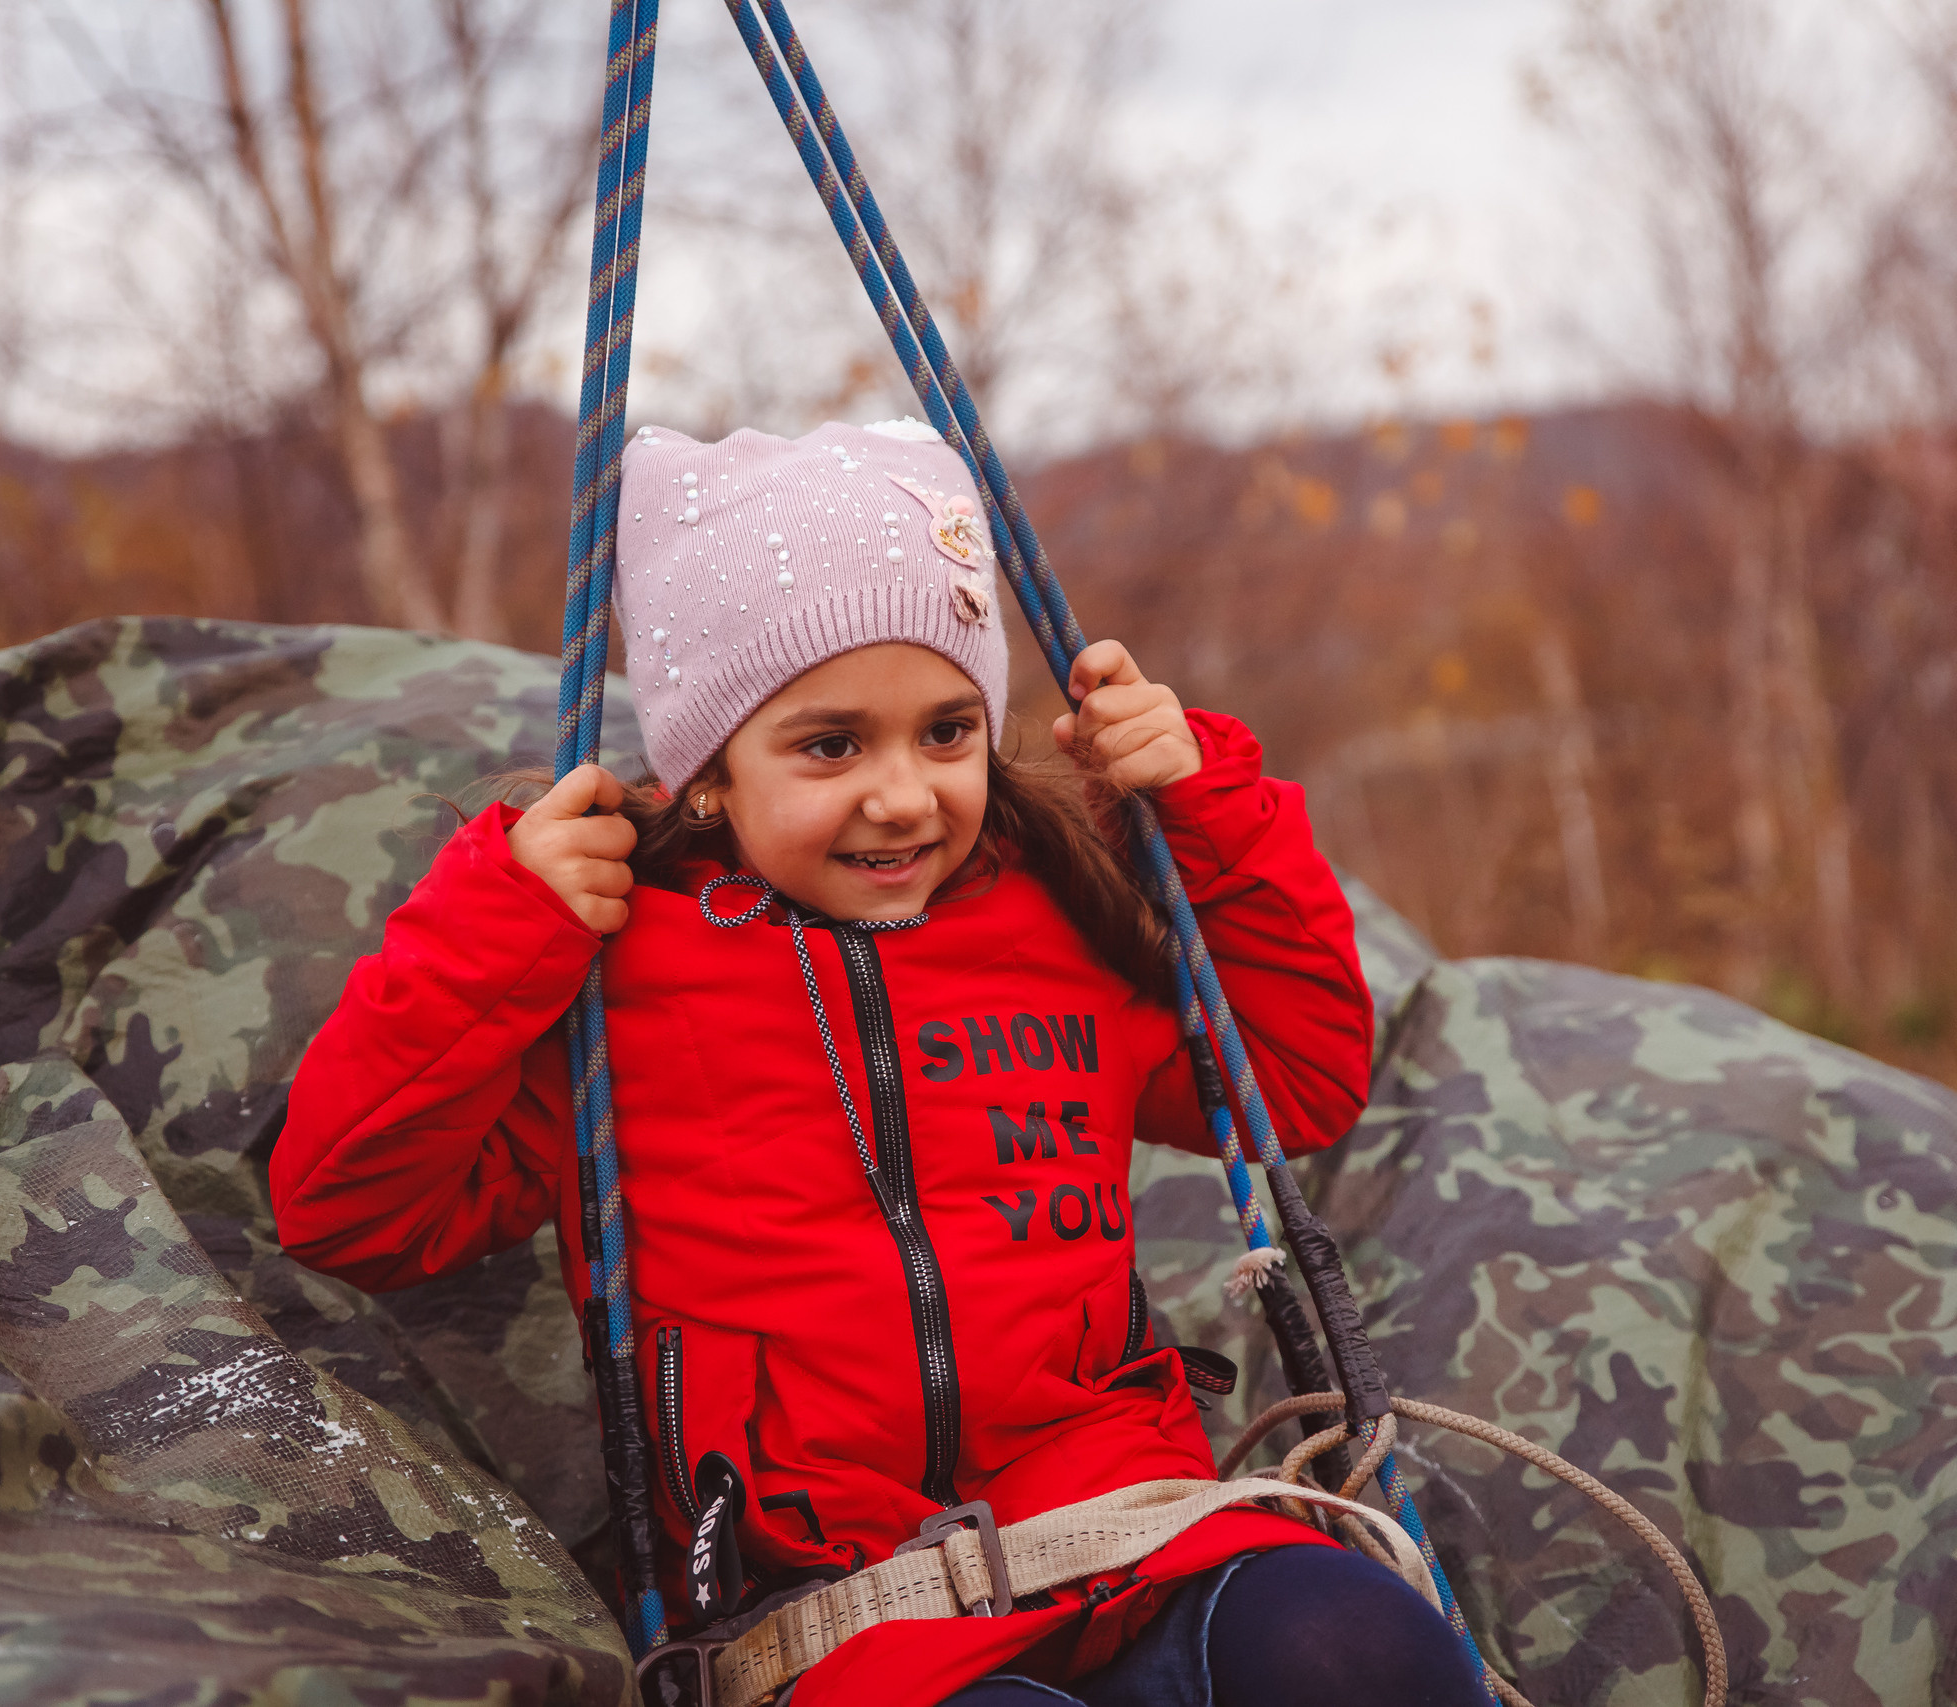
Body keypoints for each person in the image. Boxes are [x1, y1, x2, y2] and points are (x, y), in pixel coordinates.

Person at [271, 419, 1491, 1707]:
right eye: (830, 744)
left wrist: (1204, 808)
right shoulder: (616, 990)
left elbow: (1297, 1079)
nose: (904, 795)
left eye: (948, 732)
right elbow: (351, 1209)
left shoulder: (1050, 921)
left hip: (1136, 1527)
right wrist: (493, 927)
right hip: (836, 1612)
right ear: (709, 776)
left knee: (1359, 1648)